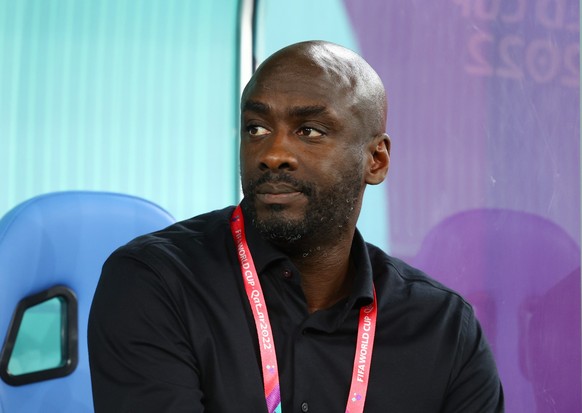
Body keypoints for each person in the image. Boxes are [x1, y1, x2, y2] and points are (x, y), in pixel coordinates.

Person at [88, 40, 504, 412]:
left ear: (375, 160)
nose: (273, 153)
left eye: (309, 131)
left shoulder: (442, 329)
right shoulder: (156, 282)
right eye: (257, 128)